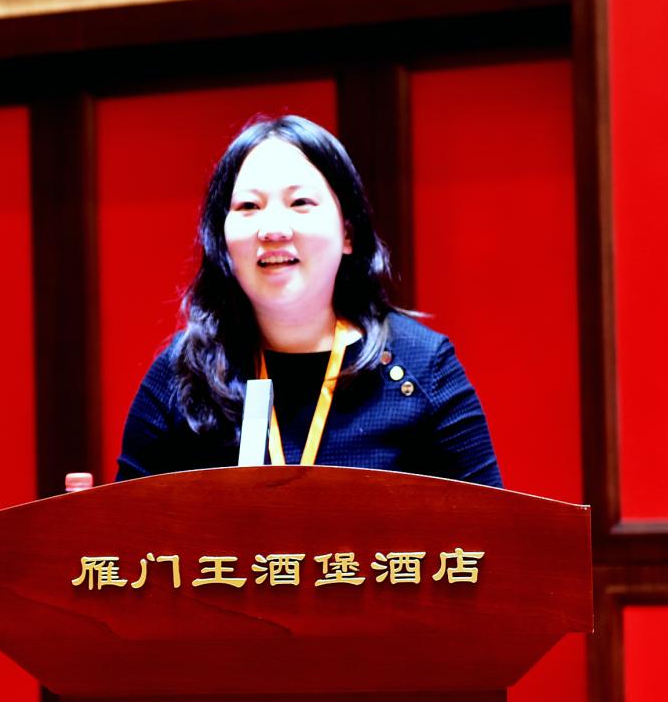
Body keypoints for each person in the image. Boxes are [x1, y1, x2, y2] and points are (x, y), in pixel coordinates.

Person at [115, 115, 502, 488]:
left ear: (348, 232)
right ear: (222, 238)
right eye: (249, 207)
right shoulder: (183, 372)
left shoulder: (422, 366)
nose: (273, 229)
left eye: (300, 202)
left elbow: (491, 527)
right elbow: (121, 526)